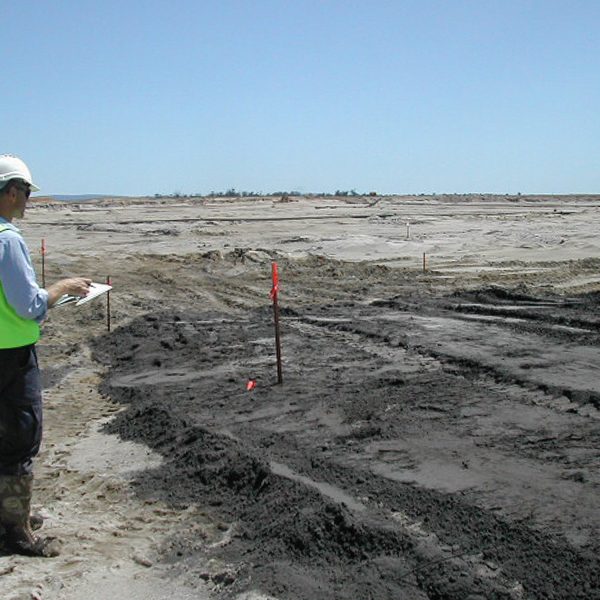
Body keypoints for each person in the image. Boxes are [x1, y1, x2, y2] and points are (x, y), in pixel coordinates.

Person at [0, 154, 91, 557]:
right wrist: (63, 287)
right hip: (12, 357)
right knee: (20, 439)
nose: (28, 202)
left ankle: (11, 513)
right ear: (12, 192)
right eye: (25, 194)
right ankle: (16, 531)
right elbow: (29, 305)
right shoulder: (8, 240)